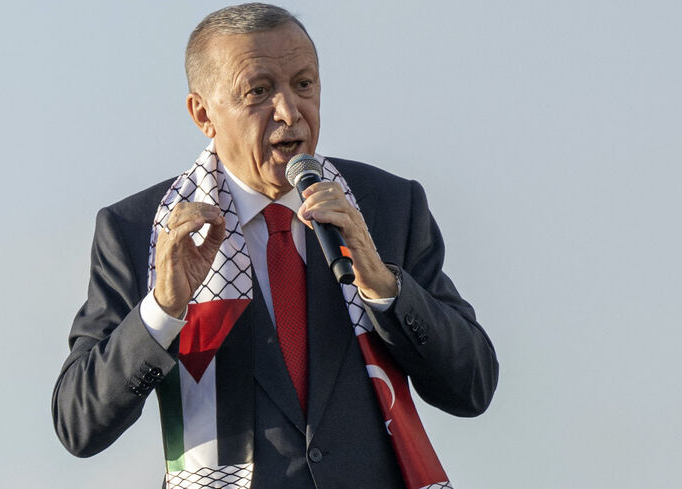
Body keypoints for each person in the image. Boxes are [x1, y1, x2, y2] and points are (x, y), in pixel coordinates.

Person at [52, 3, 498, 488]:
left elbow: (471, 387)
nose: (289, 111)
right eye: (259, 92)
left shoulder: (386, 205)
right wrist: (162, 310)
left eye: (304, 84)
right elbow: (79, 423)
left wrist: (383, 286)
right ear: (203, 113)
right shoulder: (141, 228)